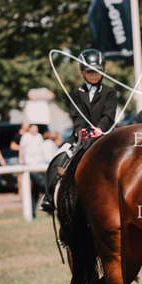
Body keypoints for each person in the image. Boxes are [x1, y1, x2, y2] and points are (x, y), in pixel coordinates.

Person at [41, 49, 118, 213]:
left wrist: (99, 129)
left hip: (104, 134)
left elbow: (108, 115)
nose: (94, 75)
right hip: (81, 136)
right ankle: (49, 195)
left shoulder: (110, 93)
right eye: (90, 72)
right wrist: (81, 130)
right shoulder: (76, 94)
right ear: (82, 72)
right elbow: (77, 115)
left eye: (97, 71)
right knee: (60, 155)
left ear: (103, 70)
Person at [19, 124, 46, 218]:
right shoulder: (25, 137)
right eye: (33, 128)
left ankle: (33, 212)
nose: (35, 130)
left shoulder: (39, 136)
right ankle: (47, 200)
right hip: (30, 164)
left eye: (36, 128)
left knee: (35, 190)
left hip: (40, 164)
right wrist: (21, 159)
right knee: (42, 185)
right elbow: (22, 148)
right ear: (29, 129)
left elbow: (42, 149)